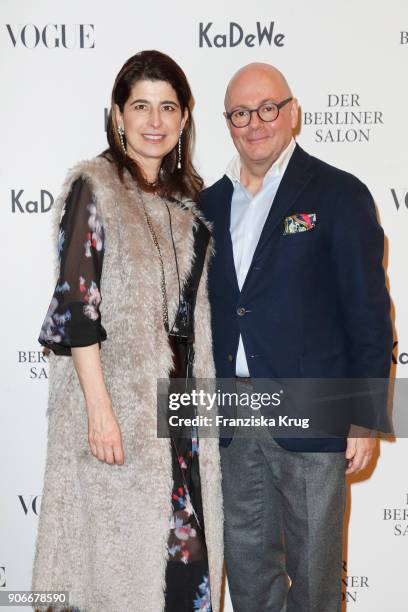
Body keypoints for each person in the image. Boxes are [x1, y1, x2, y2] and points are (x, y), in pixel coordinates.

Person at [32, 50, 222, 612]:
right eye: (141, 106)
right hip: (117, 409)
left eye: (168, 107)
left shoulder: (189, 203)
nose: (155, 120)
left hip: (183, 417)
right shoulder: (95, 188)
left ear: (185, 117)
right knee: (115, 574)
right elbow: (76, 305)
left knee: (184, 579)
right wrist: (100, 411)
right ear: (118, 114)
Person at [200, 63, 392, 612]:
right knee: (249, 571)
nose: (255, 123)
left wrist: (363, 414)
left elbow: (369, 313)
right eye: (240, 113)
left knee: (314, 577)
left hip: (313, 408)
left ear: (293, 113)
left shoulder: (338, 193)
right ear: (228, 123)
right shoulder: (207, 205)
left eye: (268, 108)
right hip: (232, 412)